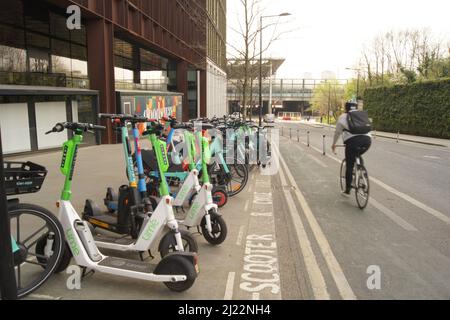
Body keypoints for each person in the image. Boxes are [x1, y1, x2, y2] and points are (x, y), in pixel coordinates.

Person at [332, 102, 372, 196]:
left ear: (346, 108)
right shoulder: (361, 116)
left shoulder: (343, 116)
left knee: (349, 165)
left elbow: (337, 132)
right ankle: (360, 172)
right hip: (367, 141)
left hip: (352, 142)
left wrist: (334, 144)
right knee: (357, 155)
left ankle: (347, 190)